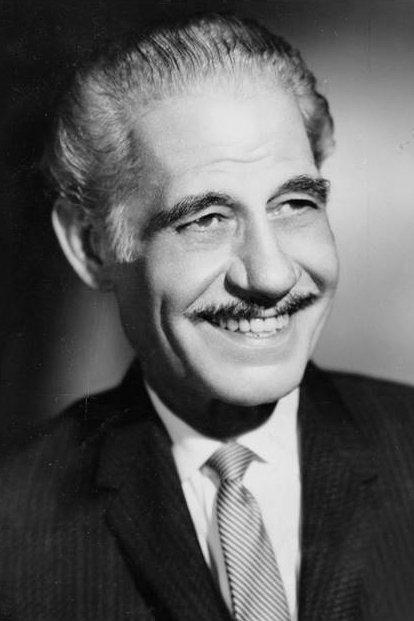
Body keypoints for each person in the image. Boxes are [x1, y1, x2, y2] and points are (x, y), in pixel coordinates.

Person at [1, 11, 414, 621]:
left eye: (294, 204)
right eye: (207, 220)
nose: (271, 276)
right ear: (92, 247)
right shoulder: (15, 528)